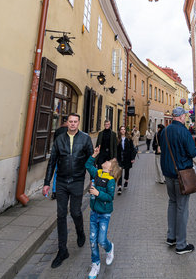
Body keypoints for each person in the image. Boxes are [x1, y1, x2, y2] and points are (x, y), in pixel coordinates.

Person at [43, 113, 94, 268]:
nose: (72, 124)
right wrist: (47, 183)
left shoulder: (85, 139)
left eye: (75, 122)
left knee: (76, 212)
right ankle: (62, 250)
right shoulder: (59, 139)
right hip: (62, 181)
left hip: (78, 181)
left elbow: (91, 160)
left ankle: (80, 232)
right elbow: (52, 162)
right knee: (61, 215)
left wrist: (94, 180)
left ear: (78, 123)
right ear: (67, 123)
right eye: (70, 122)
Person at [159, 107, 196, 254]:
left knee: (172, 203)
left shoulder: (165, 131)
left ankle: (171, 237)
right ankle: (181, 244)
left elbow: (163, 149)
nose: (185, 118)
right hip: (182, 175)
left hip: (168, 174)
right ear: (181, 117)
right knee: (182, 207)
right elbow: (193, 152)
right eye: (184, 116)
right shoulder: (184, 131)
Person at [85, 146, 121, 279]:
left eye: (108, 162)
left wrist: (97, 193)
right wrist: (94, 155)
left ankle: (109, 247)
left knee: (101, 239)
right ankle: (95, 264)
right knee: (92, 240)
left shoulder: (110, 181)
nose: (105, 161)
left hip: (104, 214)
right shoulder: (97, 172)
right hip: (94, 212)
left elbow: (110, 197)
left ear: (110, 169)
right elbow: (88, 165)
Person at [50, 115, 69, 200]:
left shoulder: (57, 131)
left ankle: (54, 191)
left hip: (58, 154)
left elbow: (54, 143)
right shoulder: (70, 131)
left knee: (57, 173)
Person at [116, 126, 136, 194]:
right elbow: (116, 149)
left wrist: (133, 158)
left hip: (127, 158)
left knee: (127, 171)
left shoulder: (129, 139)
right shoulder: (118, 139)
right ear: (120, 131)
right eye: (121, 129)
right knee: (120, 172)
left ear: (125, 131)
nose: (123, 130)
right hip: (120, 158)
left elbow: (133, 149)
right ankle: (119, 187)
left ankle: (126, 180)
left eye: (124, 129)